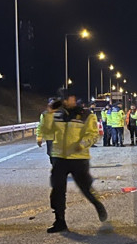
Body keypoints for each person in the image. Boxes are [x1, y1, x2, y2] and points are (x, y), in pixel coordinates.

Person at [39, 89, 107, 233]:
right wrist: (48, 114)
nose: (65, 101)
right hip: (59, 157)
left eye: (68, 98)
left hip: (79, 158)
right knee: (57, 190)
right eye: (63, 99)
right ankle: (60, 221)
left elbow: (93, 135)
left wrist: (81, 145)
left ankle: (97, 204)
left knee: (85, 188)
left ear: (74, 99)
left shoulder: (86, 115)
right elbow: (47, 133)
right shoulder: (56, 114)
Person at [36, 97, 58, 164]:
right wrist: (39, 137)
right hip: (49, 138)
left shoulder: (61, 113)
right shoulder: (45, 114)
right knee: (51, 153)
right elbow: (41, 126)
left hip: (60, 138)